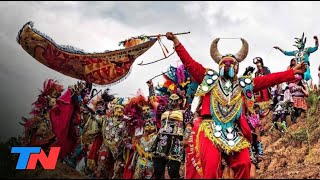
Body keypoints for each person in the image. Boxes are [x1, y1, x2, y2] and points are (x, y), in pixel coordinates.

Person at [165, 32, 306, 179]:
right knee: (211, 166)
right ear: (219, 66)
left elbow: (269, 79)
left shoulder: (244, 84)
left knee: (244, 164)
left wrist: (292, 72)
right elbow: (190, 63)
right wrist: (176, 41)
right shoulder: (209, 78)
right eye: (224, 63)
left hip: (235, 130)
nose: (227, 65)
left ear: (237, 67)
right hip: (210, 128)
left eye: (231, 63)